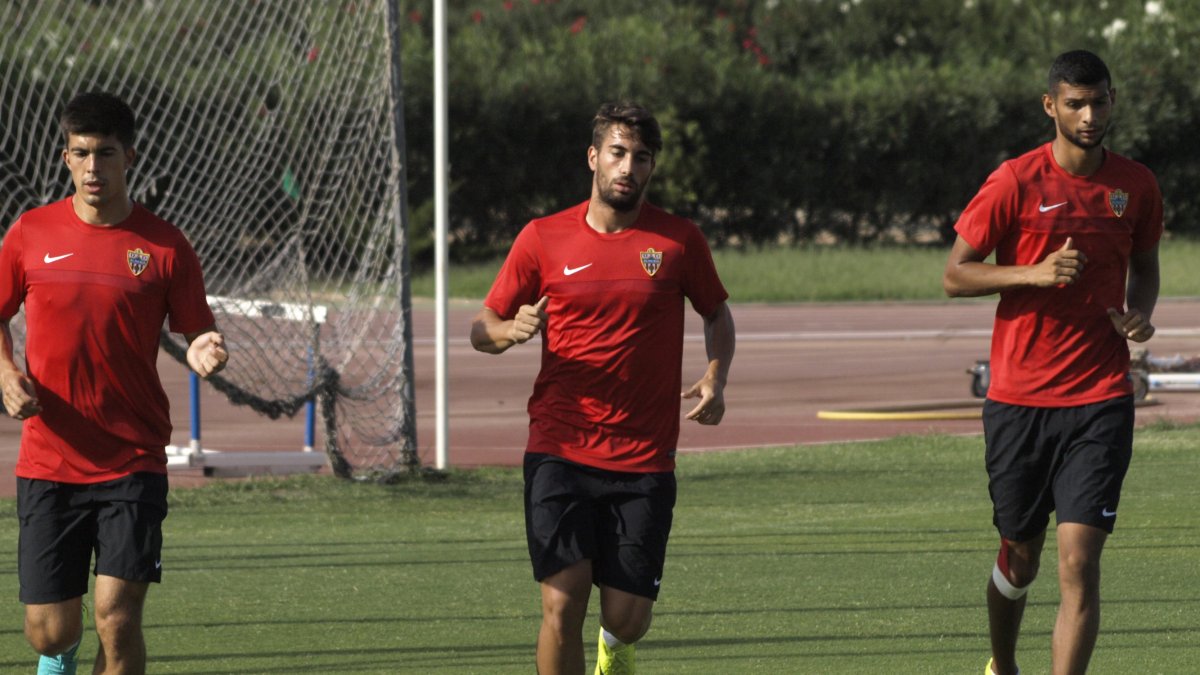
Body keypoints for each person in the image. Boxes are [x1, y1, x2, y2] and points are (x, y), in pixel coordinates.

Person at [471, 101, 735, 675]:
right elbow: (481, 328)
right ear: (594, 157)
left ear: (652, 168)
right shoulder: (542, 238)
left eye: (641, 157)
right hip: (559, 448)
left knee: (627, 615)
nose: (628, 167)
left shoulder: (677, 241)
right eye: (618, 153)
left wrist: (716, 374)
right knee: (561, 603)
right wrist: (509, 331)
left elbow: (717, 313)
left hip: (643, 456)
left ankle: (616, 650)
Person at [943, 50, 1161, 675]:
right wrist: (1032, 274)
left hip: (1101, 397)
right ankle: (1004, 664)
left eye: (1099, 102)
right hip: (1020, 400)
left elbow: (1144, 266)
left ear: (1113, 100)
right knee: (1021, 554)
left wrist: (1138, 313)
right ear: (1051, 106)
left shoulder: (1136, 186)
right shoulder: (1014, 181)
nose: (1089, 115)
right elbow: (955, 274)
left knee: (1079, 561)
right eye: (1075, 104)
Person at [0, 92, 228, 674]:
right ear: (65, 158)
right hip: (50, 460)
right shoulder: (29, 234)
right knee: (50, 633)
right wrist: (6, 373)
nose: (94, 168)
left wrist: (204, 346)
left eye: (106, 154)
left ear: (131, 156)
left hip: (133, 457)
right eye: (81, 154)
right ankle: (61, 655)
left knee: (117, 617)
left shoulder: (164, 245)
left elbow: (198, 327)